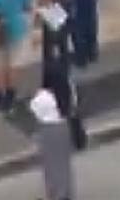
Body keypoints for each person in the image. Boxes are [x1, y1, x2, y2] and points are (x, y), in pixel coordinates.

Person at [30, 65, 81, 200]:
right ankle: (66, 193)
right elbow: (74, 104)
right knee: (64, 164)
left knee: (51, 165)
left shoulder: (43, 96)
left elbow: (34, 108)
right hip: (64, 127)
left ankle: (56, 194)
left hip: (48, 130)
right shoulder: (68, 89)